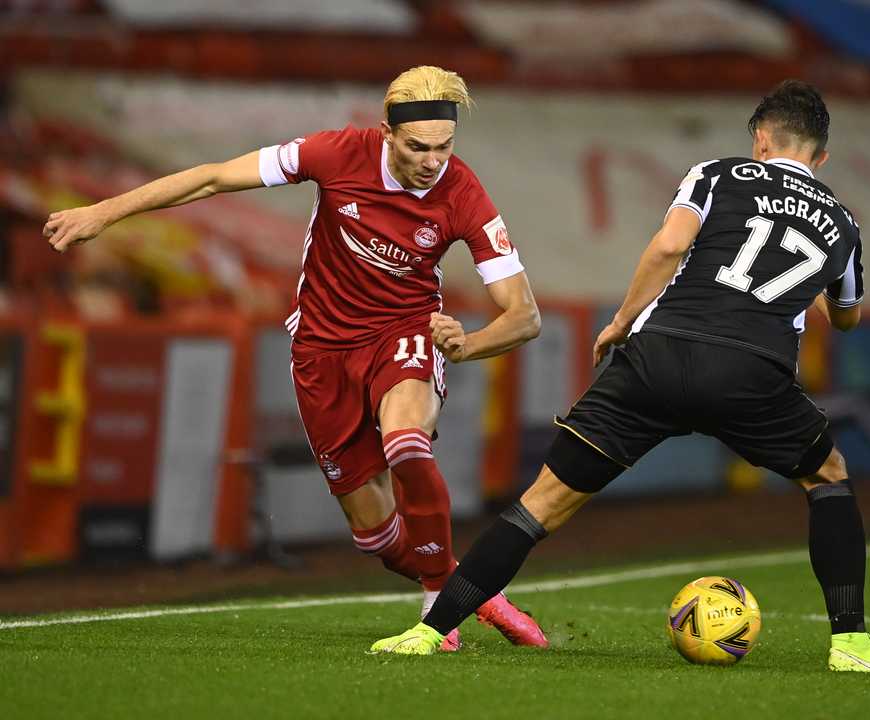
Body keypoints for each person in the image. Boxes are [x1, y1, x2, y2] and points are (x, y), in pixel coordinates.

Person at [369, 80, 870, 673]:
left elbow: (670, 247)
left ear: (760, 140)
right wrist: (811, 288)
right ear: (821, 157)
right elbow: (846, 318)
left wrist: (621, 320)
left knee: (541, 503)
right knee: (829, 477)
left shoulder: (718, 174)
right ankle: (852, 644)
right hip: (751, 372)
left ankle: (430, 631)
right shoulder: (842, 221)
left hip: (658, 356)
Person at [42, 65, 549, 649]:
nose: (433, 161)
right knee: (378, 540)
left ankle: (440, 615)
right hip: (320, 350)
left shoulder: (463, 192)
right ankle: (476, 592)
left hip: (402, 335)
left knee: (406, 441)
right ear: (386, 133)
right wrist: (102, 212)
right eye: (418, 147)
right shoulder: (332, 154)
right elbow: (211, 179)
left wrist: (469, 344)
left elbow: (524, 315)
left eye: (444, 146)